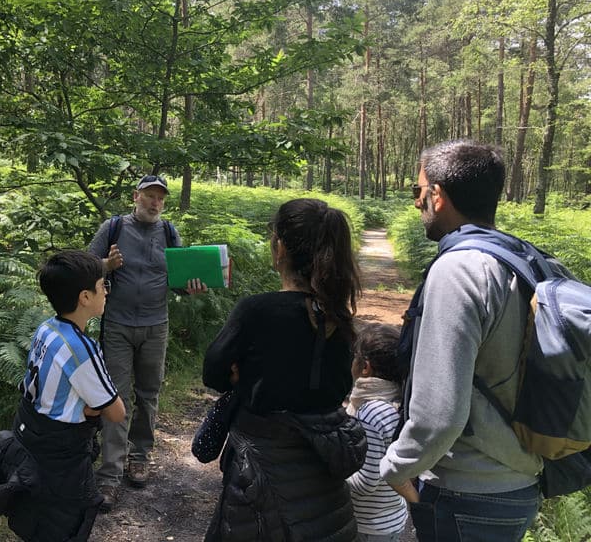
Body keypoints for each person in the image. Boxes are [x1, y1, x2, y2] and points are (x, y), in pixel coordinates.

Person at [379, 140, 542, 542]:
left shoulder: (459, 269)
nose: (416, 203)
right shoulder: (522, 260)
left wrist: (396, 467)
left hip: (466, 491)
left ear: (437, 194)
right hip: (520, 482)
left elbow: (441, 412)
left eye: (418, 192)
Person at [202, 198, 367, 542]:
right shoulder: (341, 318)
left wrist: (243, 375)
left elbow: (214, 372)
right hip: (324, 483)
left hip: (260, 476)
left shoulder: (257, 311)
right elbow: (335, 386)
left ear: (280, 249)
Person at [88, 174, 206, 511]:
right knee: (116, 397)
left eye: (160, 198)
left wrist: (193, 285)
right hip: (118, 326)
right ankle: (109, 475)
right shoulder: (112, 228)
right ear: (135, 197)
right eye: (149, 196)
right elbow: (83, 266)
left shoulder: (168, 232)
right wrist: (106, 265)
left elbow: (181, 278)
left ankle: (139, 457)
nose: (155, 203)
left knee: (149, 394)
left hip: (156, 325)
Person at [6, 250, 126, 542]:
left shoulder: (46, 329)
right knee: (65, 524)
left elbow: (53, 384)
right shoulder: (82, 349)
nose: (106, 291)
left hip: (29, 433)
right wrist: (92, 409)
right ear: (85, 297)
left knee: (37, 517)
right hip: (61, 453)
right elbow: (116, 412)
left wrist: (86, 407)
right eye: (102, 286)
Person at [347, 323, 415, 542]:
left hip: (369, 526)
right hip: (390, 516)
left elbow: (365, 483)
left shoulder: (371, 413)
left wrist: (326, 472)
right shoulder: (396, 401)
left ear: (365, 367)